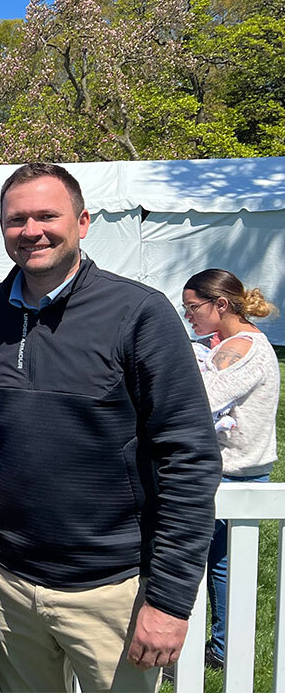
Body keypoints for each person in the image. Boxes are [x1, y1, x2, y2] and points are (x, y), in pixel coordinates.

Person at [0, 162, 221, 692]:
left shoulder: (139, 313)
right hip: (7, 579)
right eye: (16, 220)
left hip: (113, 589)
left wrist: (169, 600)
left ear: (82, 222)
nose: (31, 230)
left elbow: (189, 457)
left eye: (46, 216)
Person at [182, 268, 280, 670]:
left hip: (230, 470)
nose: (188, 316)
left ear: (220, 305)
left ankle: (215, 649)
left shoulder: (239, 349)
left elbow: (197, 401)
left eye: (193, 308)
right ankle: (222, 648)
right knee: (223, 564)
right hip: (241, 467)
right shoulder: (241, 342)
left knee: (205, 563)